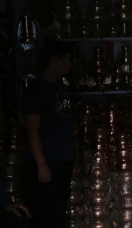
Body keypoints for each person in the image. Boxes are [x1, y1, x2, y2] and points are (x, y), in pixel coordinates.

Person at [22, 39, 75, 228]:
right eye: (66, 59)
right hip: (47, 163)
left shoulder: (59, 88)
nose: (69, 64)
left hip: (62, 161)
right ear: (55, 60)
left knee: (58, 213)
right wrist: (42, 164)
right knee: (44, 214)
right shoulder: (36, 90)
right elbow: (31, 130)